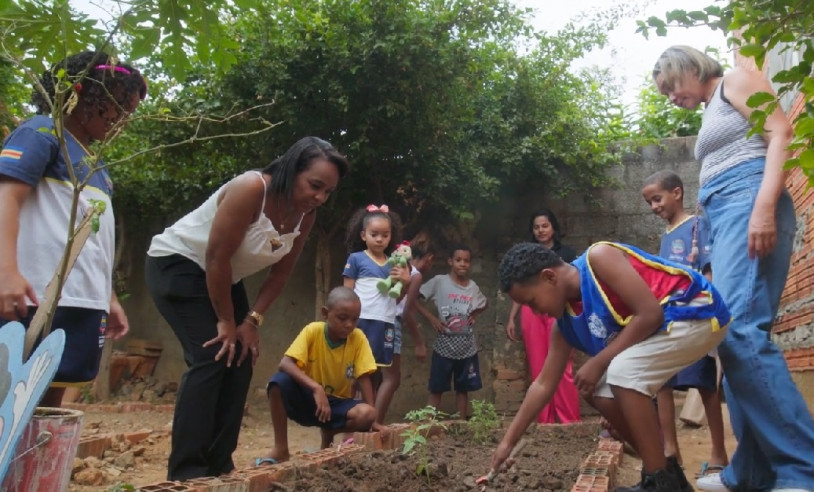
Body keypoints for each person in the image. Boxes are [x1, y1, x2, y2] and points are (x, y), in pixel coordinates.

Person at [653, 45, 814, 492]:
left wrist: (763, 208)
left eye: (671, 86)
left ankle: (804, 467)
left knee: (741, 330)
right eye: (664, 93)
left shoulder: (735, 81)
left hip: (748, 202)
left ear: (688, 66)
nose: (670, 97)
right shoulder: (711, 108)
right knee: (728, 335)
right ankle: (752, 470)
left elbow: (780, 132)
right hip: (725, 215)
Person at [145, 136, 348, 480]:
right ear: (291, 169)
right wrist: (226, 320)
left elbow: (281, 272)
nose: (319, 198)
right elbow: (215, 257)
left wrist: (252, 321)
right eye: (315, 186)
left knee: (241, 359)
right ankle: (187, 472)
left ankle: (219, 464)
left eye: (327, 192)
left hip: (224, 277)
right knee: (211, 354)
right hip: (179, 264)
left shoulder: (305, 216)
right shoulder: (251, 189)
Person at [491, 241, 730, 492]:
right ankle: (668, 477)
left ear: (549, 277)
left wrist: (599, 361)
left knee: (620, 372)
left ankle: (658, 480)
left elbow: (650, 314)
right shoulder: (563, 327)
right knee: (597, 390)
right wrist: (507, 443)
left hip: (695, 308)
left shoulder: (599, 259)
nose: (535, 311)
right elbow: (542, 384)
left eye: (531, 302)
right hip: (667, 329)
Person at [0, 51, 147, 407]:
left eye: (128, 114)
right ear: (79, 92)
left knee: (51, 396)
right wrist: (6, 272)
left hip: (82, 302)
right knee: (11, 397)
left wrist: (107, 297)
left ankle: (30, 464)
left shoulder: (97, 167)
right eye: (116, 107)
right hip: (36, 297)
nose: (120, 120)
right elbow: (7, 197)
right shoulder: (42, 132)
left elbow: (94, 239)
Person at [642, 170, 729, 480]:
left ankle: (718, 452)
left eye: (657, 198)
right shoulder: (667, 235)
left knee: (705, 385)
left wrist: (707, 313)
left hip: (695, 318)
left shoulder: (697, 226)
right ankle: (670, 451)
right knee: (662, 384)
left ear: (676, 193)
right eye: (649, 202)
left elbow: (708, 272)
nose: (653, 206)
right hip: (670, 320)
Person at [257, 287, 383, 464]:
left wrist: (373, 418)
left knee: (367, 413)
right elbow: (285, 363)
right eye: (342, 318)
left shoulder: (358, 338)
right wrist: (316, 388)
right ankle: (281, 448)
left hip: (338, 403)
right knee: (278, 382)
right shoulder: (313, 331)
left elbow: (364, 376)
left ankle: (329, 433)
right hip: (311, 400)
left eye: (355, 319)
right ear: (326, 313)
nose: (349, 325)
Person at [505, 209, 580, 424]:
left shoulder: (566, 253)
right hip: (531, 310)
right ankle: (544, 421)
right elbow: (520, 289)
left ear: (553, 227)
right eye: (537, 227)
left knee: (563, 366)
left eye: (545, 225)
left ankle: (569, 421)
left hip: (560, 309)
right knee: (538, 365)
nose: (541, 230)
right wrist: (512, 317)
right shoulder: (526, 256)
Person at [342, 204, 411, 420]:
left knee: (380, 374)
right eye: (374, 234)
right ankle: (347, 422)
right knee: (354, 375)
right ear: (363, 235)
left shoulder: (394, 264)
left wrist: (406, 282)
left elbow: (396, 297)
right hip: (361, 323)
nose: (380, 239)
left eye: (385, 235)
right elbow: (347, 293)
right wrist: (347, 322)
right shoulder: (356, 259)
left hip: (386, 324)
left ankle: (371, 421)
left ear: (391, 237)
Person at [416, 244, 488, 420]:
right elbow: (414, 299)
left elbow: (484, 303)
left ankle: (461, 423)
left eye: (466, 261)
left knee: (463, 388)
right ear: (450, 262)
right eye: (458, 260)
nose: (462, 264)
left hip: (467, 347)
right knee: (437, 387)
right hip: (444, 346)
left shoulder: (472, 287)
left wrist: (474, 314)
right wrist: (432, 319)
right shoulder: (440, 281)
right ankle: (426, 424)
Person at [372, 233, 434, 426]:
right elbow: (406, 313)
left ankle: (362, 424)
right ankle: (376, 424)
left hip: (372, 322)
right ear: (429, 258)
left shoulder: (394, 267)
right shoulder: (414, 275)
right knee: (392, 378)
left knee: (372, 376)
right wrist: (419, 343)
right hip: (391, 324)